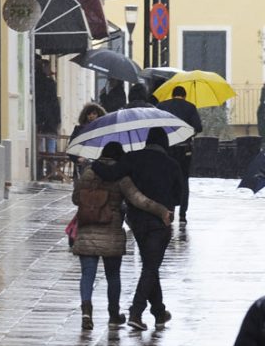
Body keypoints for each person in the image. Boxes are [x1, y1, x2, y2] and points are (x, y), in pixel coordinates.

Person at [72, 141, 172, 330]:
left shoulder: (88, 173)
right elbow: (139, 200)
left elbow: (76, 198)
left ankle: (86, 312)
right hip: (111, 232)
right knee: (113, 276)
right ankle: (113, 315)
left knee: (87, 274)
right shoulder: (121, 177)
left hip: (87, 230)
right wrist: (161, 211)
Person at [118, 128, 182, 330]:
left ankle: (159, 312)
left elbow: (120, 180)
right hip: (159, 223)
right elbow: (180, 197)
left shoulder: (133, 159)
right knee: (150, 267)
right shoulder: (171, 164)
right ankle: (136, 313)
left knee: (150, 265)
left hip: (136, 221)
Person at [157, 86, 203, 227]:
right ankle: (183, 214)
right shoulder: (190, 107)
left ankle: (169, 209)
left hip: (167, 149)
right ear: (184, 95)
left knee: (167, 179)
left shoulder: (162, 106)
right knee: (183, 179)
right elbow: (198, 127)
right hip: (184, 150)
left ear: (173, 94)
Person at [68, 103, 105, 180]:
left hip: (98, 164)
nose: (91, 116)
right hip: (82, 164)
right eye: (89, 114)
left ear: (99, 115)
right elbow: (71, 147)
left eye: (94, 113)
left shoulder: (103, 130)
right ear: (85, 115)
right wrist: (77, 159)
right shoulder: (79, 130)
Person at [35, 59, 61, 155]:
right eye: (48, 67)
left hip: (40, 117)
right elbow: (54, 101)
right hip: (50, 118)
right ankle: (51, 167)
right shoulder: (49, 83)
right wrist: (57, 118)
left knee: (40, 145)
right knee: (50, 145)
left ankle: (40, 167)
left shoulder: (36, 81)